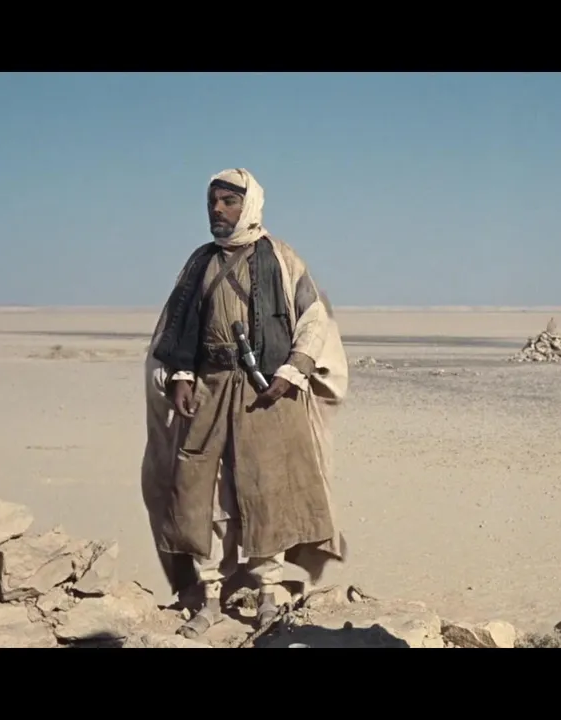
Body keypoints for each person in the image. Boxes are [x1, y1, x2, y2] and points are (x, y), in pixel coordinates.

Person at [140, 168, 350, 639]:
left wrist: (292, 369)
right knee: (204, 493)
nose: (217, 210)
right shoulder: (199, 263)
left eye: (228, 201)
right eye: (212, 202)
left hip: (267, 394)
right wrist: (181, 375)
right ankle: (211, 598)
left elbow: (313, 318)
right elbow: (179, 323)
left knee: (267, 490)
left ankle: (269, 595)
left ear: (249, 204)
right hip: (209, 390)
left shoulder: (282, 257)